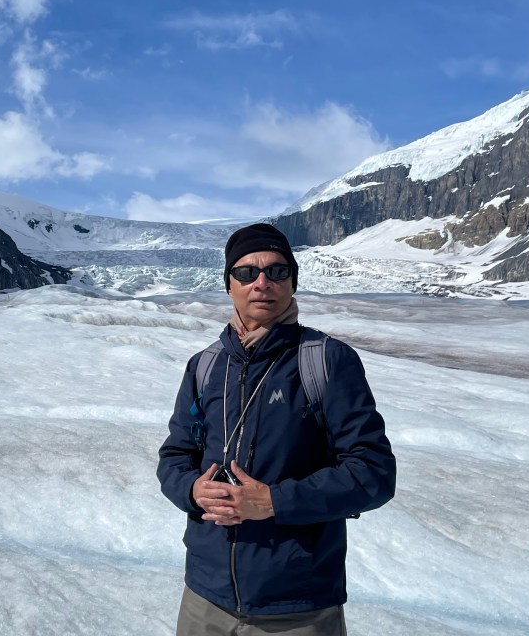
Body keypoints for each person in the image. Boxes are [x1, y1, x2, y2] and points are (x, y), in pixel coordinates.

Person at [157, 223, 396, 635]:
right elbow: (176, 456)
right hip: (204, 597)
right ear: (229, 284)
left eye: (277, 271)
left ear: (293, 281)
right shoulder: (205, 366)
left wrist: (274, 501)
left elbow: (374, 473)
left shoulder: (326, 361)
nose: (262, 283)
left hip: (296, 607)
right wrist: (192, 491)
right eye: (247, 273)